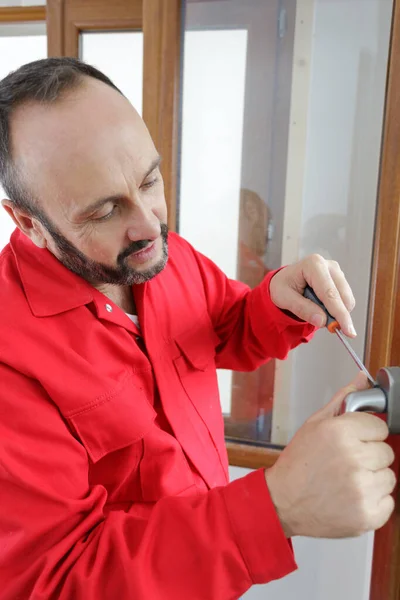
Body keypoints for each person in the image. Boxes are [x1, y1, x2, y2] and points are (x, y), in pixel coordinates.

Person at [0, 58, 395, 600]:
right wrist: (275, 507)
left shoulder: (162, 255)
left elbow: (226, 328)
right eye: (104, 210)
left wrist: (277, 302)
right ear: (28, 223)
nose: (149, 223)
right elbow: (57, 583)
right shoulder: (9, 359)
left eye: (149, 179)